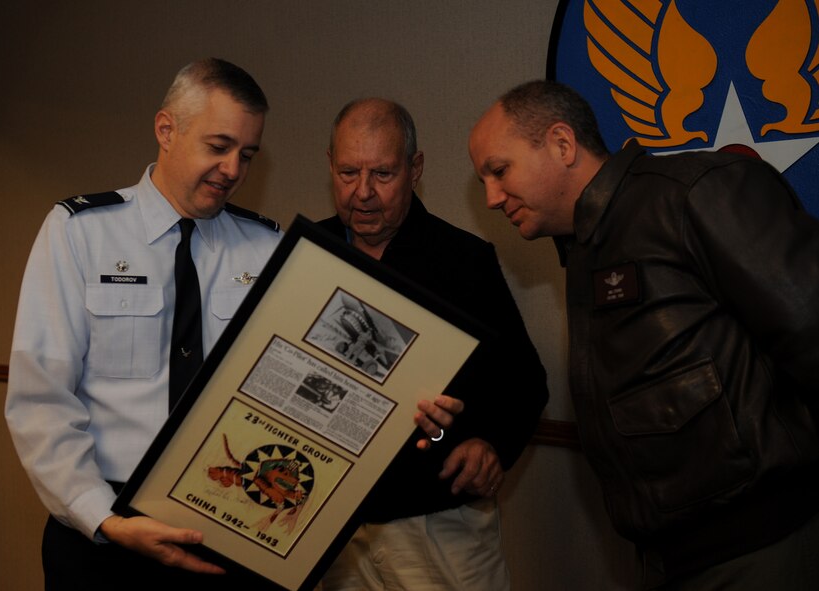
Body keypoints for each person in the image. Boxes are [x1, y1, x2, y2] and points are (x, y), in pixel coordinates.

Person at [469, 79, 819, 590]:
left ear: (562, 144)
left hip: (761, 548)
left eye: (499, 171)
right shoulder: (587, 243)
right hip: (672, 558)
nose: (493, 197)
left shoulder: (692, 195)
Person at [4, 58, 284, 589]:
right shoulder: (81, 232)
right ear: (166, 130)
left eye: (247, 155)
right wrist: (106, 519)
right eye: (218, 146)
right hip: (101, 530)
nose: (233, 170)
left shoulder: (265, 247)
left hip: (224, 522)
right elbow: (41, 402)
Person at [317, 98, 548, 590]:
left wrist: (493, 446)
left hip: (437, 521)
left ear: (415, 169)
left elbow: (525, 382)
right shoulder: (307, 255)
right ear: (330, 167)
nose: (363, 193)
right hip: (326, 521)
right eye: (348, 172)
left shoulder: (463, 260)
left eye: (382, 174)